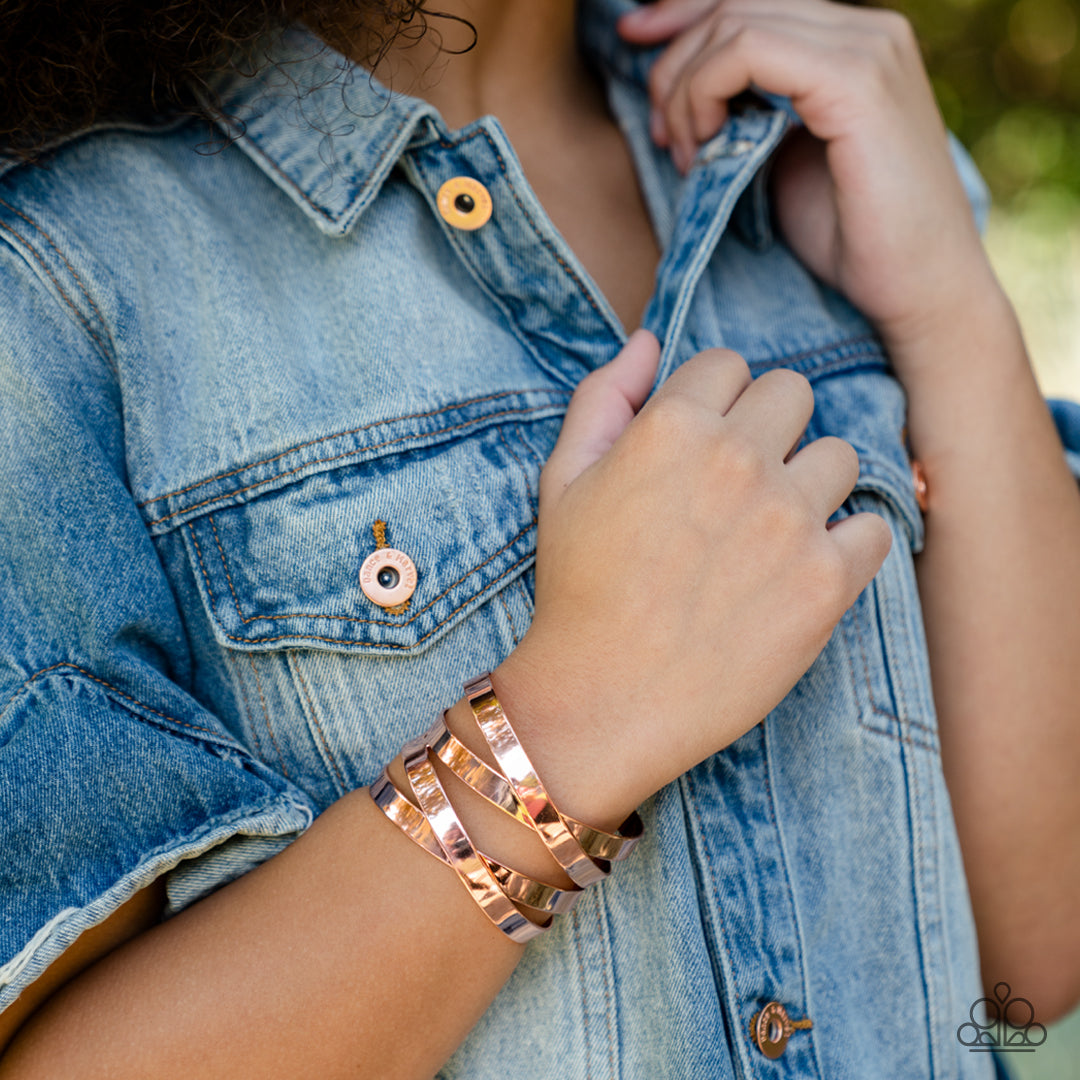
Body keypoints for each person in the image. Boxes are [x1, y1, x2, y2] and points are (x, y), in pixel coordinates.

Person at [0, 0, 1077, 1075]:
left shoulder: (809, 128)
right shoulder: (51, 277)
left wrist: (947, 308)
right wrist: (571, 720)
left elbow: (1041, 939)